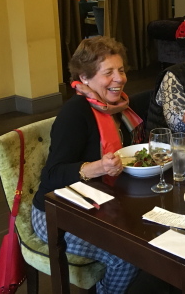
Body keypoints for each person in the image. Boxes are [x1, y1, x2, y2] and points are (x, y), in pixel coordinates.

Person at [32, 37, 141, 294]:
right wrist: (97, 167)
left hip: (102, 203)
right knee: (127, 257)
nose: (119, 78)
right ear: (84, 78)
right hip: (56, 214)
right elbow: (51, 175)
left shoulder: (118, 106)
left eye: (121, 70)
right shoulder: (75, 113)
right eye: (108, 72)